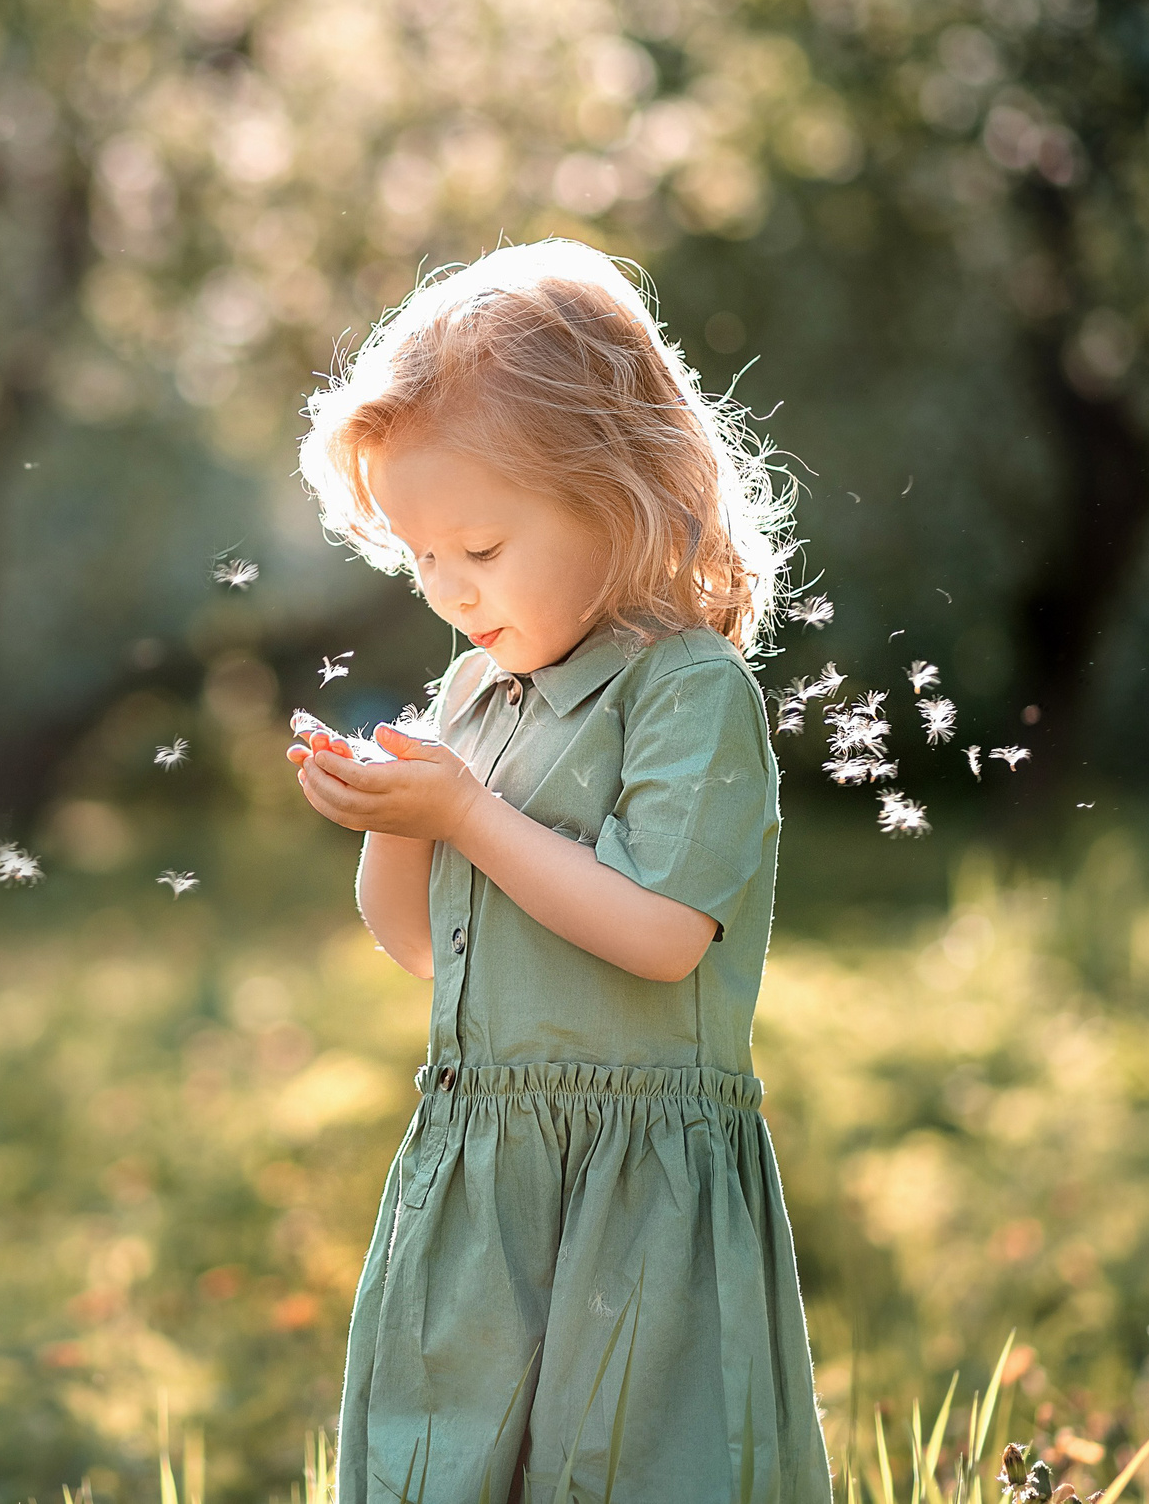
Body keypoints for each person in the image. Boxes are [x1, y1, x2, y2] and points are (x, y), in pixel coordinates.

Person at [290, 239, 829, 1503]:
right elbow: (416, 940)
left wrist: (465, 812)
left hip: (633, 1193)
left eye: (479, 545)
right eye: (420, 556)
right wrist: (397, 811)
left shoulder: (685, 688)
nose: (449, 589)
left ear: (619, 494)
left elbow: (660, 933)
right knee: (448, 1456)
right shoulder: (480, 689)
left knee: (630, 1464)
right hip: (481, 1174)